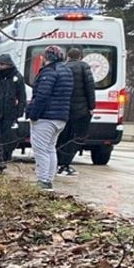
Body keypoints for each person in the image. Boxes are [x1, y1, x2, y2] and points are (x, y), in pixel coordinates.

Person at [26, 45, 74, 190]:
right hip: (61, 117)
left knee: (40, 150)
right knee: (51, 149)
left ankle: (43, 181)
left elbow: (42, 96)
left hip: (46, 117)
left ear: (46, 58)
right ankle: (49, 179)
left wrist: (33, 114)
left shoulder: (49, 72)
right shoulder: (66, 71)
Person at [57, 47, 96, 176]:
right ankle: (65, 163)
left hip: (64, 109)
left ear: (68, 56)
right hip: (81, 110)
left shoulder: (62, 67)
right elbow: (90, 88)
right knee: (77, 137)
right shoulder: (84, 67)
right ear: (80, 57)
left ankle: (58, 162)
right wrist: (91, 106)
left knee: (62, 136)